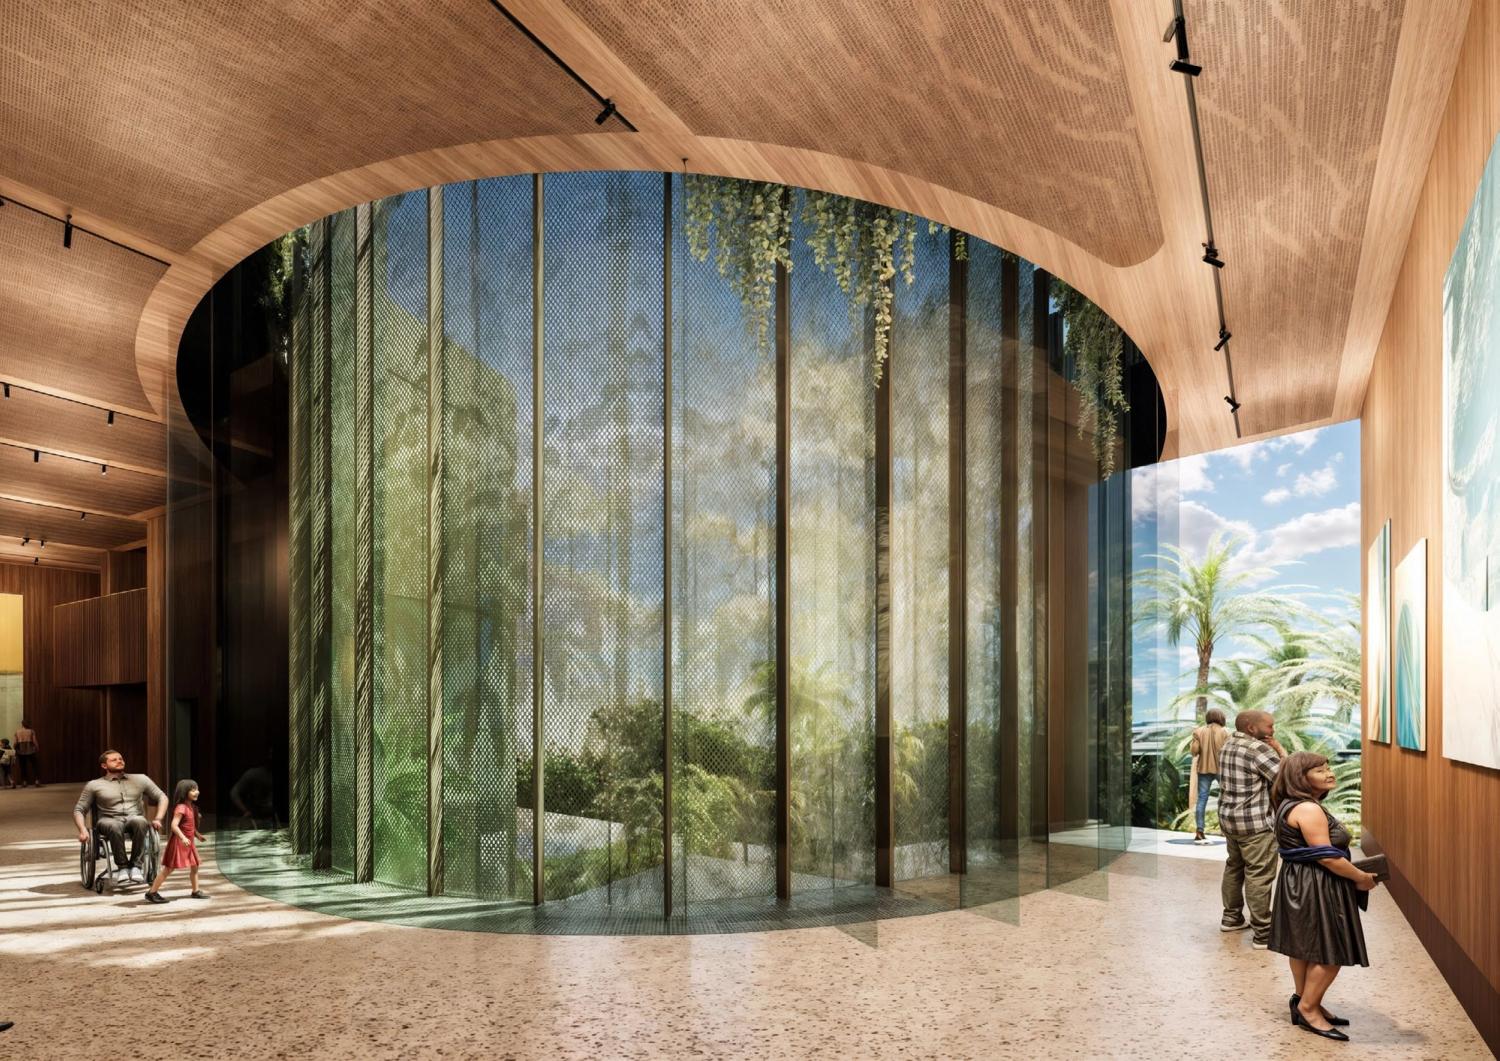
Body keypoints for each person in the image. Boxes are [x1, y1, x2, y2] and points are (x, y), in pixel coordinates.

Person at [1269, 751, 1376, 1042]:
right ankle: (1308, 1009)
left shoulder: (1289, 804)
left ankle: (1303, 999)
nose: (1330, 773)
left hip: (1298, 882)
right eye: (1320, 770)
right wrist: (1361, 878)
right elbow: (1327, 857)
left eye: (1328, 768)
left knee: (1303, 947)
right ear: (1300, 778)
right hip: (1316, 884)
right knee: (1332, 950)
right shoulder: (1309, 809)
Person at [1217, 709, 1286, 947]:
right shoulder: (1258, 749)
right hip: (1254, 824)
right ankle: (1263, 933)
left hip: (1229, 820)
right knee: (1259, 874)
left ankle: (1231, 917)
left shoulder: (1228, 744)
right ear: (1251, 728)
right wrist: (1279, 749)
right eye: (1269, 726)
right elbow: (1286, 778)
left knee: (1234, 867)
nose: (1273, 730)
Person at [72, 750, 167, 883]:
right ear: (104, 766)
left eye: (121, 758)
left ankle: (136, 867)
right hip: (108, 820)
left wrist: (158, 818)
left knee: (141, 821)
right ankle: (122, 867)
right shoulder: (94, 785)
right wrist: (82, 830)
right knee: (114, 825)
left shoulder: (141, 779)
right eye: (114, 760)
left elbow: (162, 796)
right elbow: (79, 809)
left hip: (134, 818)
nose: (119, 761)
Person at [145, 780, 208, 904]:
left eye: (197, 789)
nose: (197, 792)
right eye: (193, 790)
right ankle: (152, 892)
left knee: (195, 866)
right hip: (179, 842)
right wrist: (183, 837)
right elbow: (174, 825)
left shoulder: (193, 807)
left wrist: (197, 835)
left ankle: (196, 891)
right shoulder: (181, 808)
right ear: (184, 792)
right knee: (168, 869)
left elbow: (190, 826)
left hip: (189, 843)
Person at [1189, 707, 1230, 842]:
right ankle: (1226, 831)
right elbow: (1229, 752)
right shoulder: (1226, 732)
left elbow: (1194, 752)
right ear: (1221, 717)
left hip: (1203, 770)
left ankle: (1199, 831)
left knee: (1202, 799)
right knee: (1226, 799)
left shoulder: (1198, 731)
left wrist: (1194, 739)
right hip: (1222, 770)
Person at [13, 719, 39, 787]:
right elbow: (34, 741)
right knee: (35, 766)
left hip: (21, 750)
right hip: (30, 750)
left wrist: (14, 749)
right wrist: (37, 747)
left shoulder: (17, 732)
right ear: (29, 724)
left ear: (22, 724)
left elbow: (15, 743)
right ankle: (37, 780)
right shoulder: (31, 731)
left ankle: (24, 782)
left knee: (23, 767)